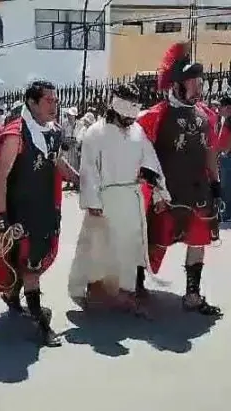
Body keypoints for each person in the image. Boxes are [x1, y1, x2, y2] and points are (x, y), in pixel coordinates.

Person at [0, 81, 78, 347]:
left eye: (56, 100)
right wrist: (2, 217)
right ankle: (41, 322)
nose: (55, 105)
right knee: (31, 265)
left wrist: (79, 179)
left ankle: (13, 295)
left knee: (29, 261)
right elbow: (0, 179)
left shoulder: (53, 131)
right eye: (49, 100)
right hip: (20, 212)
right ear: (32, 103)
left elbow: (56, 161)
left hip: (45, 209)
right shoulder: (15, 134)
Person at [135, 42, 231, 317]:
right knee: (153, 240)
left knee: (198, 240)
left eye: (199, 81)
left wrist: (216, 183)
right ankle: (137, 287)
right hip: (165, 192)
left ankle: (192, 294)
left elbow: (211, 151)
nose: (198, 87)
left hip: (198, 189)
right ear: (177, 85)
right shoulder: (153, 116)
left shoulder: (208, 115)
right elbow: (139, 155)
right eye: (193, 82)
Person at [68, 83, 171, 312]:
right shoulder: (96, 132)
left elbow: (151, 163)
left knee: (129, 249)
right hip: (104, 201)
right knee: (98, 249)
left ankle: (126, 294)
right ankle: (95, 292)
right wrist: (92, 201)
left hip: (130, 201)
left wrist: (159, 192)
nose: (130, 119)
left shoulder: (137, 131)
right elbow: (88, 169)